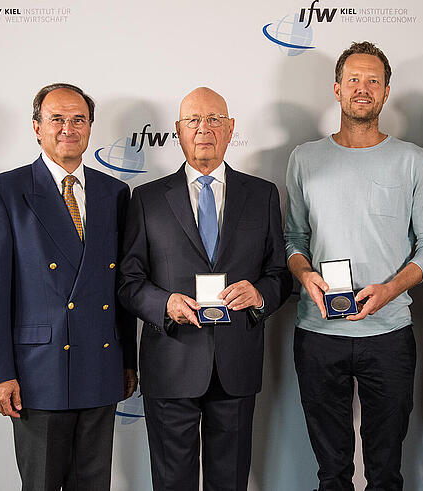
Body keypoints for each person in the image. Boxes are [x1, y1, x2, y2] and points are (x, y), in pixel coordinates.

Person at [284, 41, 423, 490]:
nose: (363, 88)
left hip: (389, 335)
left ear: (386, 91)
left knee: (385, 470)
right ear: (336, 89)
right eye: (353, 79)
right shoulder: (304, 157)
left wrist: (390, 290)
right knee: (331, 472)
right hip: (318, 334)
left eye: (373, 80)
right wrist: (304, 273)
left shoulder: (411, 160)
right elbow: (293, 240)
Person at [118, 87, 292, 491]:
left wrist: (260, 294)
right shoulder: (146, 199)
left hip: (236, 364)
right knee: (172, 482)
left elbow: (281, 274)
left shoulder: (263, 194)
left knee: (229, 482)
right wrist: (165, 304)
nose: (204, 129)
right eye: (193, 120)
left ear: (230, 130)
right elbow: (128, 282)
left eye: (214, 120)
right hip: (171, 362)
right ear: (177, 132)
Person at [0, 82, 137, 490]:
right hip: (36, 375)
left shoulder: (114, 192)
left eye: (78, 119)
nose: (68, 127)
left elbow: (118, 289)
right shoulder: (4, 191)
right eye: (57, 119)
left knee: (94, 484)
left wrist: (127, 360)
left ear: (90, 128)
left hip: (100, 367)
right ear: (36, 127)